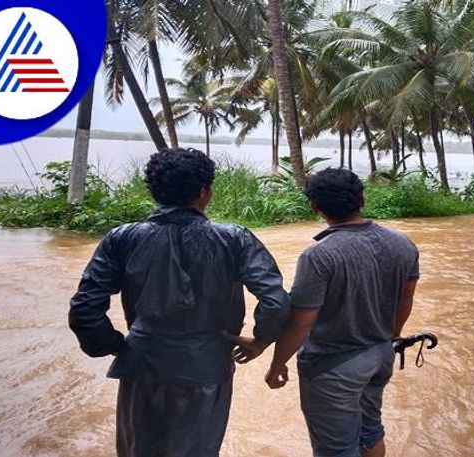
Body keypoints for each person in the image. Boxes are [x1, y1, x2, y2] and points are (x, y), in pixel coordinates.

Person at [68, 148, 290, 457]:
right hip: (206, 367)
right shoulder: (235, 238)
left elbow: (84, 307)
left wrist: (116, 345)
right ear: (204, 192)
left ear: (155, 191)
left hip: (142, 363)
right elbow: (276, 301)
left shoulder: (122, 237)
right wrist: (261, 341)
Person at [263, 168, 419, 457]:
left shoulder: (319, 255)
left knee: (335, 450)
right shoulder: (403, 244)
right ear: (362, 199)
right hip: (380, 354)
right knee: (370, 432)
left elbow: (300, 326)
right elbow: (405, 301)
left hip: (333, 367)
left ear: (314, 207)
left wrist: (277, 363)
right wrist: (390, 338)